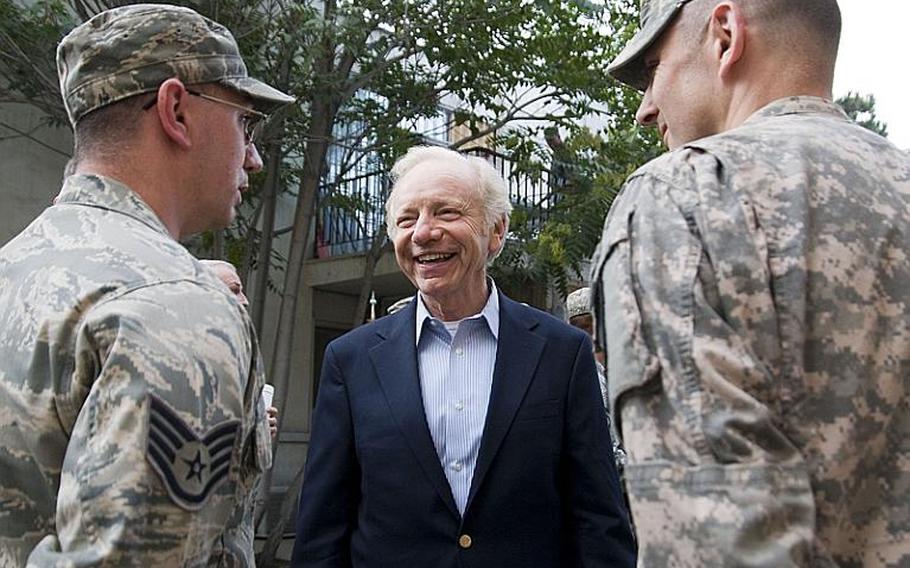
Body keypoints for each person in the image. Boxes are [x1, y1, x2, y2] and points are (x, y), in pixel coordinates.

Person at [591, 0, 909, 565]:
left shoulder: (680, 199)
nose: (645, 108)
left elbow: (714, 544)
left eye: (654, 68)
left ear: (725, 33)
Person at [0, 4, 294, 565]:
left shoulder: (15, 268)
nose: (253, 158)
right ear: (176, 110)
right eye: (245, 122)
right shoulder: (175, 303)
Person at [293, 145, 635, 567]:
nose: (422, 232)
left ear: (496, 231)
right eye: (407, 219)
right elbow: (322, 531)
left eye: (447, 213)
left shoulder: (562, 353)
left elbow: (599, 521)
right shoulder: (351, 360)